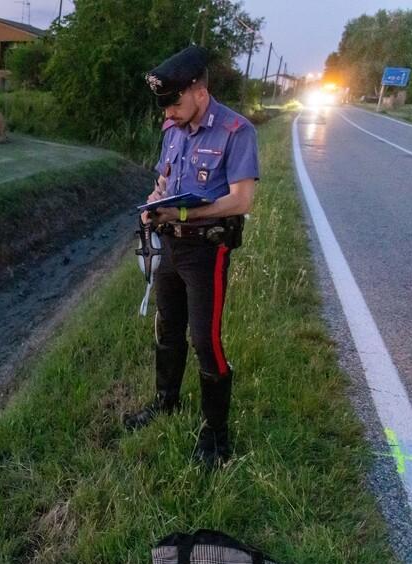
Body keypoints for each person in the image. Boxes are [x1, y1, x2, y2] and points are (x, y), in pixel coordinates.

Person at [123, 45, 259, 468]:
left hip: (206, 250)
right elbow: (165, 180)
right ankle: (165, 401)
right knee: (168, 328)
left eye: (175, 103)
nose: (169, 113)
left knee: (205, 339)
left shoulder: (237, 131)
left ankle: (216, 433)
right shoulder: (171, 129)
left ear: (199, 91)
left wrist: (184, 210)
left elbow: (240, 201)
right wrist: (156, 199)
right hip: (169, 244)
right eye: (165, 107)